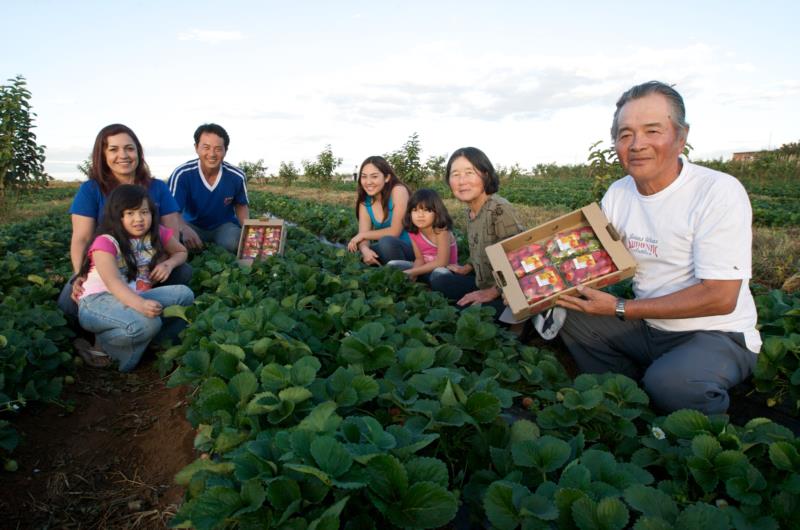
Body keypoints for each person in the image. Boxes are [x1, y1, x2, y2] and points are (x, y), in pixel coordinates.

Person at [555, 81, 760, 415]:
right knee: (567, 313)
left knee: (672, 384)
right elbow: (596, 260)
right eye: (625, 134)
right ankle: (630, 400)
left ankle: (701, 420)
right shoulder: (619, 194)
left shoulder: (717, 191)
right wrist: (534, 282)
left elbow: (721, 297)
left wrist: (620, 308)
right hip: (650, 326)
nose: (637, 145)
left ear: (681, 137)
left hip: (716, 334)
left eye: (652, 131)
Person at [58, 124, 190, 324]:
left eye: (129, 148)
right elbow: (82, 238)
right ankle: (96, 332)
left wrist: (160, 263)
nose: (123, 155)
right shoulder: (91, 189)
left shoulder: (157, 187)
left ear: (138, 152)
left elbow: (170, 230)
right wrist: (80, 273)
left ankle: (148, 316)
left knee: (183, 271)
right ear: (102, 155)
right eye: (113, 149)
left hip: (148, 262)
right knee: (70, 297)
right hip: (107, 266)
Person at [77, 185, 194, 371]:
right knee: (147, 323)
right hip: (98, 301)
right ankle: (105, 351)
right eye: (130, 213)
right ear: (118, 215)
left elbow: (181, 251)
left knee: (183, 295)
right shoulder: (105, 242)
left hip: (132, 295)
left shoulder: (156, 233)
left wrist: (168, 264)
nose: (139, 219)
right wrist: (140, 305)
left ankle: (155, 344)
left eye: (144, 212)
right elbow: (113, 283)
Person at [429, 147, 524, 317]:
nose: (462, 181)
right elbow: (480, 245)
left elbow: (520, 259)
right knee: (438, 278)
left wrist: (493, 292)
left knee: (460, 314)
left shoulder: (500, 209)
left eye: (469, 172)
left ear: (486, 175)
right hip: (482, 283)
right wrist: (468, 266)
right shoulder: (470, 211)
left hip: (509, 293)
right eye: (455, 174)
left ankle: (523, 321)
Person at [167, 123, 249, 254]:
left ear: (225, 151)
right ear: (196, 148)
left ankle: (215, 244)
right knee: (176, 241)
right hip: (192, 225)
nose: (212, 154)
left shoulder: (236, 176)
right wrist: (183, 228)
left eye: (218, 149)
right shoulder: (182, 174)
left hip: (223, 226)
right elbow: (171, 211)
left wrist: (250, 233)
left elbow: (241, 205)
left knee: (235, 243)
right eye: (206, 147)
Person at [347, 156, 414, 264]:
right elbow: (364, 236)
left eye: (374, 176)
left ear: (387, 177)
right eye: (364, 177)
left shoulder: (398, 191)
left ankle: (409, 270)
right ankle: (393, 267)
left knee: (386, 242)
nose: (368, 182)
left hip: (414, 249)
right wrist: (365, 250)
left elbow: (394, 232)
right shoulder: (365, 202)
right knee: (355, 252)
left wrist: (362, 235)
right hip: (389, 249)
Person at [387, 188, 458, 283]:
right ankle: (421, 281)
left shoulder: (441, 231)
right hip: (424, 269)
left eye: (427, 210)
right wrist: (413, 274)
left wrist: (412, 272)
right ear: (409, 213)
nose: (420, 215)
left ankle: (430, 284)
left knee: (439, 273)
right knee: (392, 264)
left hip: (444, 271)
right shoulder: (413, 231)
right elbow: (419, 259)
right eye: (415, 210)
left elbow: (442, 262)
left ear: (437, 212)